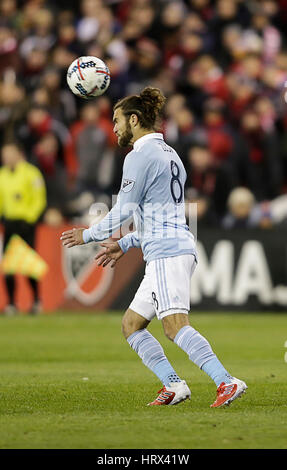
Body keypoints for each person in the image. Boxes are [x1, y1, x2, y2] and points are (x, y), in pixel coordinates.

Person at [61, 87, 247, 408]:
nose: (114, 128)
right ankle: (174, 385)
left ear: (135, 120)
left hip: (166, 252)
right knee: (132, 324)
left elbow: (123, 210)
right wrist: (128, 241)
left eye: (117, 120)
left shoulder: (139, 156)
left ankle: (225, 380)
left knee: (174, 326)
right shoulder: (170, 154)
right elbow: (160, 213)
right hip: (171, 244)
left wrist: (88, 235)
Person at [0, 142, 47, 314]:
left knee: (29, 264)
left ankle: (36, 301)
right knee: (9, 266)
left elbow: (39, 199)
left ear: (18, 154)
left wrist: (31, 218)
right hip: (10, 224)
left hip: (26, 224)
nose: (6, 158)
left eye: (9, 154)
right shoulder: (2, 175)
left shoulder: (31, 173)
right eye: (4, 155)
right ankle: (11, 303)